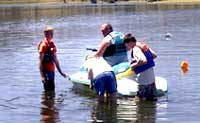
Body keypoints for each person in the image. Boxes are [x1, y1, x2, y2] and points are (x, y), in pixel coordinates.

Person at [123, 33, 157, 101]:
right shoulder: (142, 45)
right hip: (151, 78)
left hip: (143, 79)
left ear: (129, 43)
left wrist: (133, 65)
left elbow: (143, 60)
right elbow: (154, 55)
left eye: (126, 45)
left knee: (140, 101)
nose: (126, 47)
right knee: (151, 100)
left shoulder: (135, 49)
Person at [38, 25, 67, 92]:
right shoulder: (43, 45)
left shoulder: (51, 44)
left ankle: (51, 102)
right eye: (50, 33)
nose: (52, 35)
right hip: (46, 72)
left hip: (51, 71)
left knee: (52, 91)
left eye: (52, 33)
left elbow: (56, 60)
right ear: (45, 34)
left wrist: (61, 73)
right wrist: (42, 76)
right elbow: (40, 61)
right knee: (48, 91)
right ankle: (47, 102)